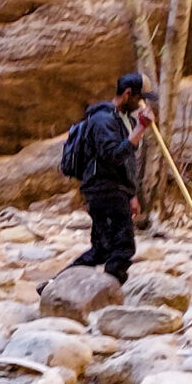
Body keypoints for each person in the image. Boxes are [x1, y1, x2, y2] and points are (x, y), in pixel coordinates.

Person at [61, 73, 144, 282]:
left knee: (102, 249)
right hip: (103, 190)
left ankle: (55, 285)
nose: (141, 104)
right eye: (139, 98)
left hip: (116, 191)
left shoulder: (127, 121)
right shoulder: (102, 119)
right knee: (123, 247)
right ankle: (111, 290)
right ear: (127, 94)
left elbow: (128, 163)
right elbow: (113, 155)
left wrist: (132, 194)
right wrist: (141, 129)